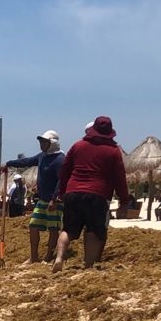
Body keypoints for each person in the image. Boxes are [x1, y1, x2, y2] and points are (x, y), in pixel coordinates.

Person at [53, 116, 127, 271]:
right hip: (98, 194)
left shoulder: (78, 145)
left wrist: (61, 192)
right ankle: (88, 265)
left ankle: (59, 258)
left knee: (67, 229)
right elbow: (119, 178)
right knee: (93, 230)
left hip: (73, 192)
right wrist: (124, 200)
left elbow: (65, 171)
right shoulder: (113, 151)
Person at [5, 130, 65, 263]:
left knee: (53, 228)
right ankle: (33, 256)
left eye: (44, 142)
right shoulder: (42, 156)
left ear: (52, 143)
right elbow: (27, 161)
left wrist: (54, 199)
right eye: (41, 142)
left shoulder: (60, 159)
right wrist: (9, 163)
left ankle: (49, 256)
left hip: (54, 201)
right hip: (42, 200)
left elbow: (62, 181)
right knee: (33, 225)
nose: (41, 144)